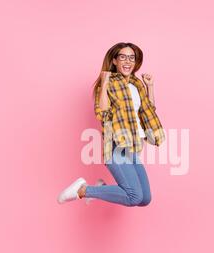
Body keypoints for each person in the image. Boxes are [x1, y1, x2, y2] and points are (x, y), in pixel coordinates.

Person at [57, 42, 165, 206]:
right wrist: (105, 82)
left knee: (145, 199)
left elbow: (148, 111)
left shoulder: (137, 84)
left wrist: (150, 87)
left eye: (131, 58)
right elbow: (103, 114)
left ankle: (101, 189)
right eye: (123, 57)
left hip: (132, 148)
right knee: (134, 197)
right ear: (115, 60)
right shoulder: (109, 83)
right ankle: (83, 189)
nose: (128, 61)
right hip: (116, 147)